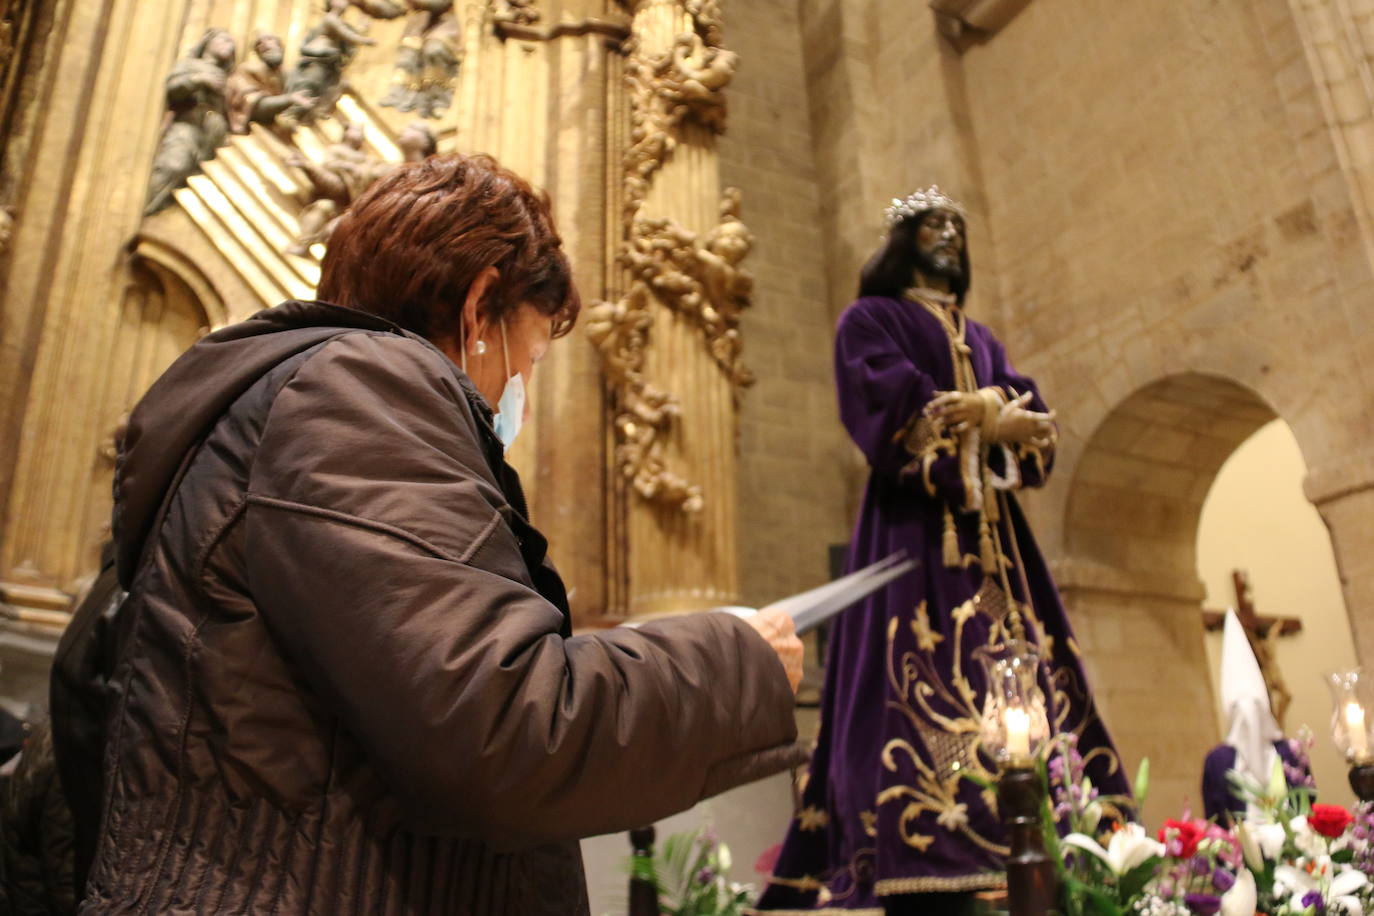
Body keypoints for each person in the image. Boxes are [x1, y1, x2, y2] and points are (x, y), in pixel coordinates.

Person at [66, 153, 805, 913]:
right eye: (535, 353)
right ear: (480, 307)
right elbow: (503, 724)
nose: (522, 386)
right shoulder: (357, 390)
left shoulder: (290, 400)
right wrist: (736, 659)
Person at [753, 187, 1130, 916]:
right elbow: (886, 402)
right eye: (934, 226)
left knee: (1030, 665)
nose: (949, 237)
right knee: (913, 675)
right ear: (904, 240)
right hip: (916, 530)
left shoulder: (980, 335)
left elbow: (1031, 414)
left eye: (957, 227)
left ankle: (1067, 825)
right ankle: (928, 841)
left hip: (998, 544)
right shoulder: (868, 319)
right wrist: (988, 418)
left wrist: (996, 416)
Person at [1201, 610, 1313, 823]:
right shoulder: (1219, 761)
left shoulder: (1288, 753)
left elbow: (1308, 804)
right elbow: (1215, 819)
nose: (1249, 720)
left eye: (1254, 709)